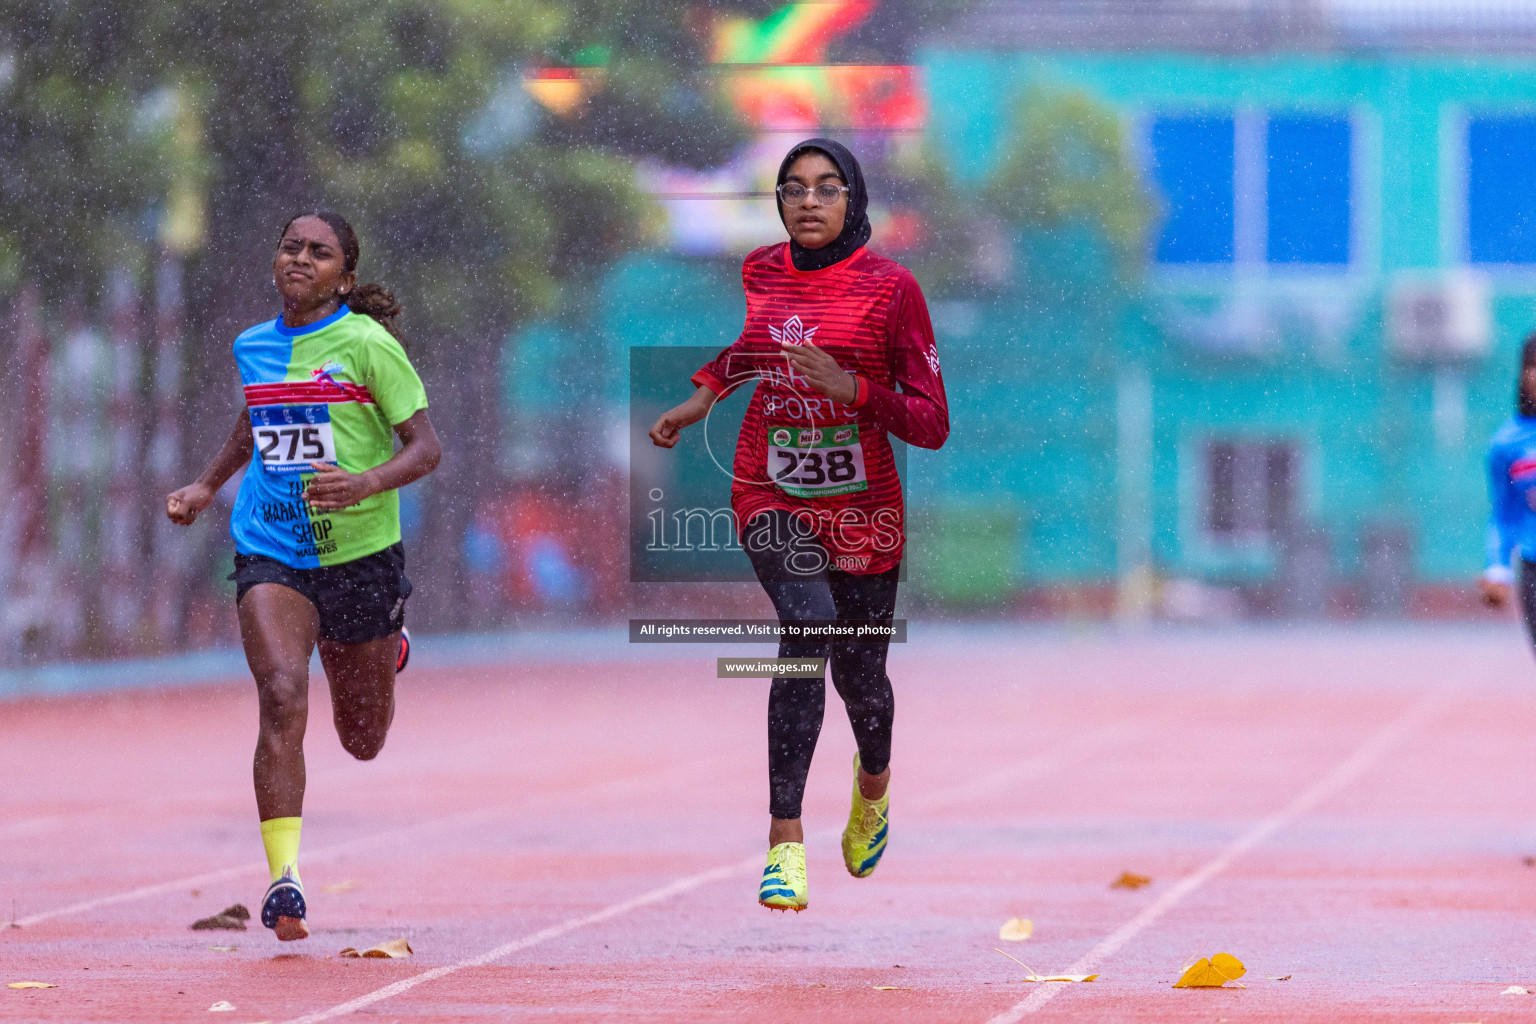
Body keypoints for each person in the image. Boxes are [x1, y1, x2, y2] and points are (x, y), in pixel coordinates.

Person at [648, 139, 949, 912]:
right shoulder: (760, 271)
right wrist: (705, 393)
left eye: (826, 187)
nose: (807, 202)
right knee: (804, 631)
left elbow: (931, 421)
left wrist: (851, 388)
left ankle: (873, 785)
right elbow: (755, 347)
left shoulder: (894, 291)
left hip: (864, 511)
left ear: (856, 199)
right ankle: (785, 843)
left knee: (862, 681)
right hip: (770, 490)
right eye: (792, 189)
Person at [166, 212, 441, 941]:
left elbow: (426, 448)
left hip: (359, 554)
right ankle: (283, 881)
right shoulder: (253, 345)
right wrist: (205, 486)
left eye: (320, 253)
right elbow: (255, 422)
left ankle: (390, 643)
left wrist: (366, 482)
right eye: (291, 246)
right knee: (283, 694)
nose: (301, 258)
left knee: (362, 738)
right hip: (271, 544)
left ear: (343, 278)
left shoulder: (367, 344)